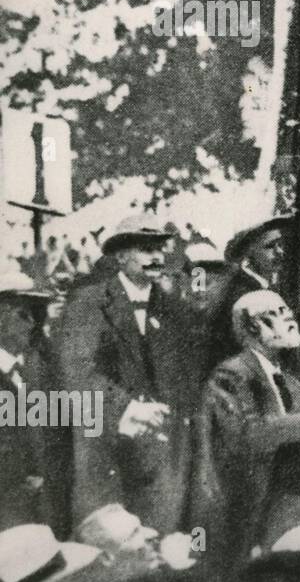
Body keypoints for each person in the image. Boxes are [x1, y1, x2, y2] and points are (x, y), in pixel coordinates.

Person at [56, 215, 202, 534]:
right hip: (108, 452)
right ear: (121, 256)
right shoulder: (89, 303)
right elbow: (77, 370)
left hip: (164, 458)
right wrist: (127, 407)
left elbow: (186, 379)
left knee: (161, 548)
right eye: (145, 249)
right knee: (116, 549)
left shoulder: (176, 311)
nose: (156, 257)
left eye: (159, 249)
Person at [189, 290, 300, 573]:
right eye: (273, 315)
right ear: (251, 330)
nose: (288, 319)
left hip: (280, 500)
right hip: (244, 510)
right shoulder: (233, 373)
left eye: (286, 311)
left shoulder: (277, 372)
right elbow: (246, 435)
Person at [0, 274, 56, 528]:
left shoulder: (35, 372)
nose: (33, 322)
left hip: (43, 513)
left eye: (36, 313)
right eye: (24, 314)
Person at [206, 215, 291, 368]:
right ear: (249, 251)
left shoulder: (262, 286)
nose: (280, 252)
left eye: (281, 244)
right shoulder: (244, 293)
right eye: (270, 246)